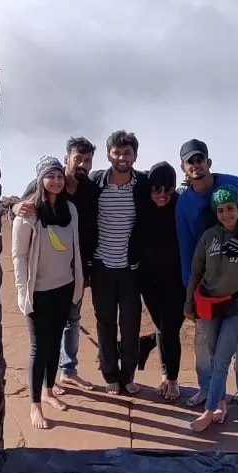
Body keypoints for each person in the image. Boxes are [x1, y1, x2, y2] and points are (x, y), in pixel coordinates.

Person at [175, 138, 238, 417]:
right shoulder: (184, 203)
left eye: (200, 159)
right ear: (184, 167)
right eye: (190, 161)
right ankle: (208, 391)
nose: (196, 165)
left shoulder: (232, 185)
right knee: (204, 343)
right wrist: (189, 295)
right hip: (206, 287)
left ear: (208, 161)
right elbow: (186, 249)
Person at [11, 137, 98, 393]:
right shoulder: (37, 189)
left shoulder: (87, 190)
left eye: (87, 160)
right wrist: (14, 207)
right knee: (44, 337)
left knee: (72, 320)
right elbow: (20, 222)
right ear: (67, 159)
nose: (82, 164)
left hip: (74, 271)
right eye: (78, 159)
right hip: (41, 280)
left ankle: (66, 372)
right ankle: (43, 391)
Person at [184, 184, 238, 433]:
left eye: (230, 208)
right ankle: (220, 402)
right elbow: (195, 273)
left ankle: (209, 411)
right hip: (209, 305)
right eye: (220, 210)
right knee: (210, 351)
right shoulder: (208, 238)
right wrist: (189, 305)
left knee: (221, 359)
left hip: (237, 306)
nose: (226, 214)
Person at [12, 156, 84, 429]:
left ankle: (49, 390)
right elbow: (18, 255)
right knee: (38, 347)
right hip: (38, 291)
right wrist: (22, 291)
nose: (55, 181)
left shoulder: (70, 210)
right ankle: (35, 406)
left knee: (54, 342)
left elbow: (75, 247)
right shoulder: (28, 213)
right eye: (50, 176)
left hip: (63, 287)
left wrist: (77, 283)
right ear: (41, 179)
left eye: (58, 176)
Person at [89, 130, 149, 395]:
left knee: (130, 323)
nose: (122, 157)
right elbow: (64, 187)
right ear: (108, 154)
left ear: (134, 155)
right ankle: (111, 375)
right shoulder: (96, 182)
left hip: (130, 268)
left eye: (127, 152)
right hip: (101, 265)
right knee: (105, 324)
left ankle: (128, 376)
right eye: (117, 152)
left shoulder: (143, 184)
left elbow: (169, 194)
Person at [139, 162, 185, 400]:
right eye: (157, 190)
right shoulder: (142, 202)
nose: (162, 196)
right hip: (149, 281)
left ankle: (173, 380)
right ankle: (166, 374)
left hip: (177, 281)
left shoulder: (181, 204)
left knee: (169, 328)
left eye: (168, 190)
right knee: (163, 328)